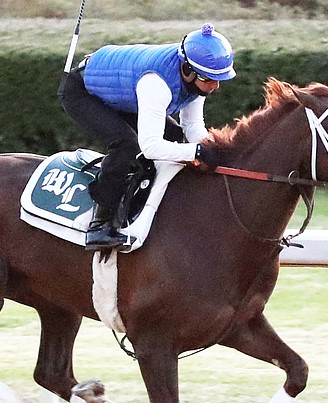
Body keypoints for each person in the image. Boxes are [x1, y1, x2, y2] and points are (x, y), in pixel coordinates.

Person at [59, 23, 236, 251]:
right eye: (210, 79)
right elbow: (151, 146)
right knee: (126, 145)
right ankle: (100, 224)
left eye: (218, 78)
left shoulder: (196, 76)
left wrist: (212, 148)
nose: (216, 86)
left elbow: (192, 127)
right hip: (82, 92)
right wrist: (197, 152)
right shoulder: (156, 83)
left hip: (122, 92)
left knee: (175, 136)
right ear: (188, 71)